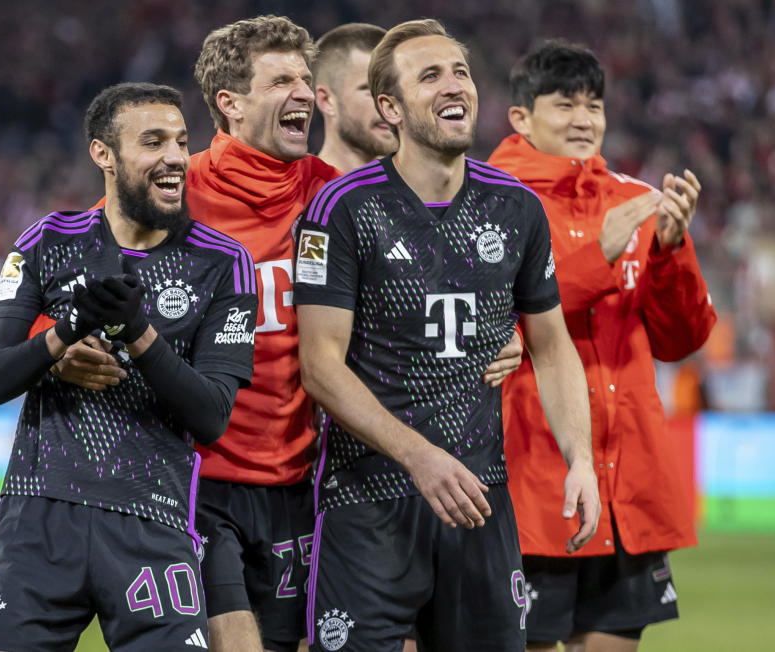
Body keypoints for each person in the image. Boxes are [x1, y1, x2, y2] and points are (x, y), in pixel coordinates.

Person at [64, 16, 521, 652]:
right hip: (197, 476)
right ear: (231, 103)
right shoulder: (178, 191)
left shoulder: (335, 199)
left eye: (306, 78)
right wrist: (60, 348)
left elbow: (432, 297)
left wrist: (500, 333)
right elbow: (64, 267)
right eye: (282, 80)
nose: (304, 93)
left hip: (303, 481)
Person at [294, 20, 601, 652]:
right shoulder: (342, 210)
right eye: (429, 75)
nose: (453, 84)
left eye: (458, 71)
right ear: (391, 108)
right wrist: (417, 456)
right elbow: (320, 366)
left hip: (480, 499)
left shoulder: (516, 208)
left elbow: (552, 346)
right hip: (369, 500)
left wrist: (582, 460)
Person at [0, 82, 257, 651]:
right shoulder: (48, 240)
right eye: (153, 142)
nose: (175, 157)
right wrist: (62, 339)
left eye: (180, 141)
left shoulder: (224, 263)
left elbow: (212, 415)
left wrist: (139, 333)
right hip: (40, 515)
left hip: (153, 522)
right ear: (104, 154)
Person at [489, 40, 717, 652]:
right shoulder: (487, 201)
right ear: (521, 117)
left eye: (594, 105)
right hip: (533, 480)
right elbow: (490, 330)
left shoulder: (630, 200)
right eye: (564, 105)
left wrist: (670, 252)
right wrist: (598, 259)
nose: (584, 119)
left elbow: (681, 339)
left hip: (629, 487)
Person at [314, 23, 397, 173]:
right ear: (326, 100)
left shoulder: (422, 189)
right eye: (371, 90)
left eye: (396, 90)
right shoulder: (301, 193)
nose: (390, 105)